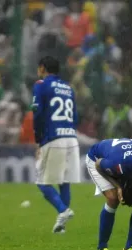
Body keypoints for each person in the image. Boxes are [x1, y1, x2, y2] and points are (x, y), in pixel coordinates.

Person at [32, 56, 80, 233]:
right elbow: (76, 118)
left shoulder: (41, 85)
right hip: (71, 137)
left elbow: (37, 113)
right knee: (64, 181)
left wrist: (38, 139)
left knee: (42, 181)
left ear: (42, 68)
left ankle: (63, 210)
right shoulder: (68, 88)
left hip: (53, 137)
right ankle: (61, 226)